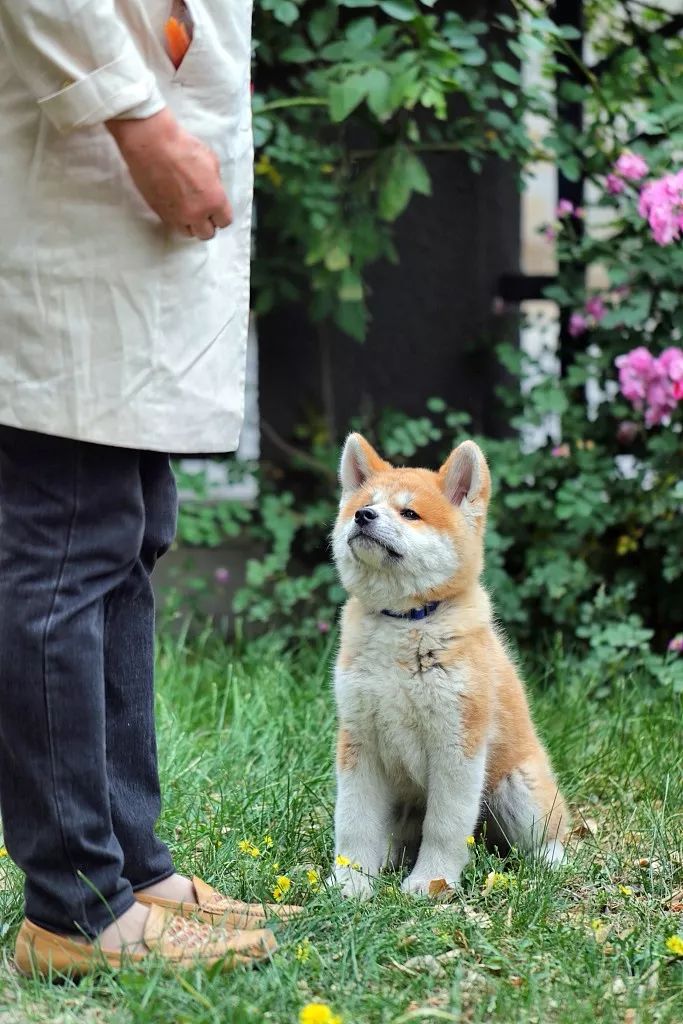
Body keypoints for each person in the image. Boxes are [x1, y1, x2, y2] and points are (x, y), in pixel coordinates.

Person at [0, 0, 296, 976]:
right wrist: (139, 119)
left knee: (126, 534)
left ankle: (131, 869)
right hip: (74, 170)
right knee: (65, 548)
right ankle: (73, 909)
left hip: (111, 182)